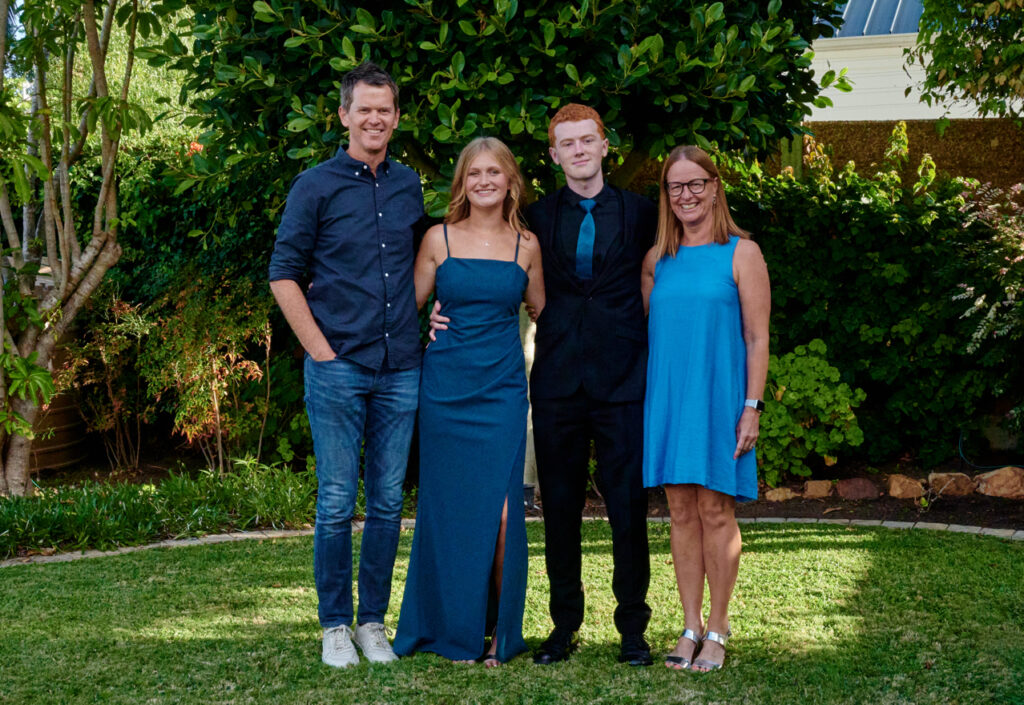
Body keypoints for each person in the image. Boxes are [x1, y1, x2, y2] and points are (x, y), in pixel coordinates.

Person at [435, 104, 658, 666]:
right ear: (554, 155)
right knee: (558, 508)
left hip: (624, 380)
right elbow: (493, 272)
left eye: (587, 140)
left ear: (604, 145)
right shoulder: (533, 220)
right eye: (567, 143)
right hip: (557, 382)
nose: (579, 150)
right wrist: (443, 308)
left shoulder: (643, 213)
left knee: (628, 508)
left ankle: (633, 628)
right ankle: (564, 626)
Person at [268, 62, 424, 668]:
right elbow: (284, 274)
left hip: (400, 366)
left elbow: (423, 265)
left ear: (396, 117)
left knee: (386, 503)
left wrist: (432, 312)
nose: (374, 119)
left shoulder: (410, 185)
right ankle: (334, 625)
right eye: (364, 109)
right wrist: (319, 350)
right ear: (344, 115)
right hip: (337, 366)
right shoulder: (315, 185)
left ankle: (371, 624)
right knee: (336, 501)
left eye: (384, 109)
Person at [393, 137, 544, 667]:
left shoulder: (527, 245)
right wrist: (430, 322)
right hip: (445, 391)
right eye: (474, 173)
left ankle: (502, 631)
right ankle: (452, 630)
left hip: (502, 392)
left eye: (494, 172)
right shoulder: (438, 239)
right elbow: (406, 308)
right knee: (448, 512)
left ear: (510, 182)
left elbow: (542, 308)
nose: (484, 181)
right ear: (462, 182)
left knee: (503, 515)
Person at [641, 145, 771, 672]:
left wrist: (752, 407)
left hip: (720, 400)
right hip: (670, 400)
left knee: (716, 510)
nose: (687, 194)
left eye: (696, 183)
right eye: (676, 186)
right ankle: (690, 625)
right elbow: (650, 333)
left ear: (715, 187)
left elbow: (757, 338)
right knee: (679, 512)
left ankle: (718, 627)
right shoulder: (656, 260)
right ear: (666, 195)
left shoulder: (742, 253)